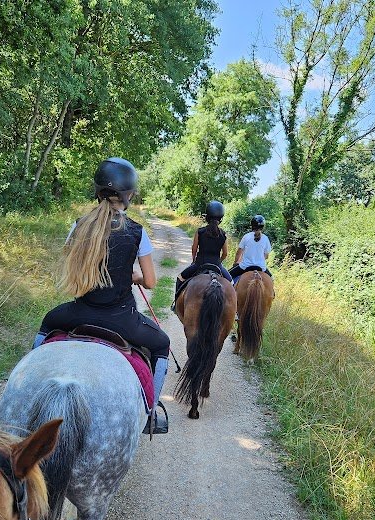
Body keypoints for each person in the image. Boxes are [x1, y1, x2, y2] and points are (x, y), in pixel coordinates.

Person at [33, 157, 170, 432]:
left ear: (98, 191)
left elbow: (76, 264)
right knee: (161, 344)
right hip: (122, 319)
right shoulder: (136, 231)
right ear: (128, 194)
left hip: (79, 313)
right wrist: (131, 276)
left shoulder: (79, 225)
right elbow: (151, 282)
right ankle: (151, 413)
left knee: (47, 323)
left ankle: (30, 380)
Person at [173, 201, 232, 305]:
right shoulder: (223, 234)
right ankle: (235, 311)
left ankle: (176, 303)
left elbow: (194, 249)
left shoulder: (200, 231)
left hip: (200, 263)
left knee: (180, 278)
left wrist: (194, 260)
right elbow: (225, 254)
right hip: (217, 265)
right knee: (231, 283)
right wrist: (219, 261)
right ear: (221, 218)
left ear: (207, 217)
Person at [229, 214, 273, 282]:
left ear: (252, 225)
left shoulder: (246, 236)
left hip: (245, 266)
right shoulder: (266, 238)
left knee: (227, 277)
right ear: (263, 227)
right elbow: (266, 256)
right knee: (271, 280)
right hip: (261, 268)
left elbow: (239, 252)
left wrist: (235, 263)